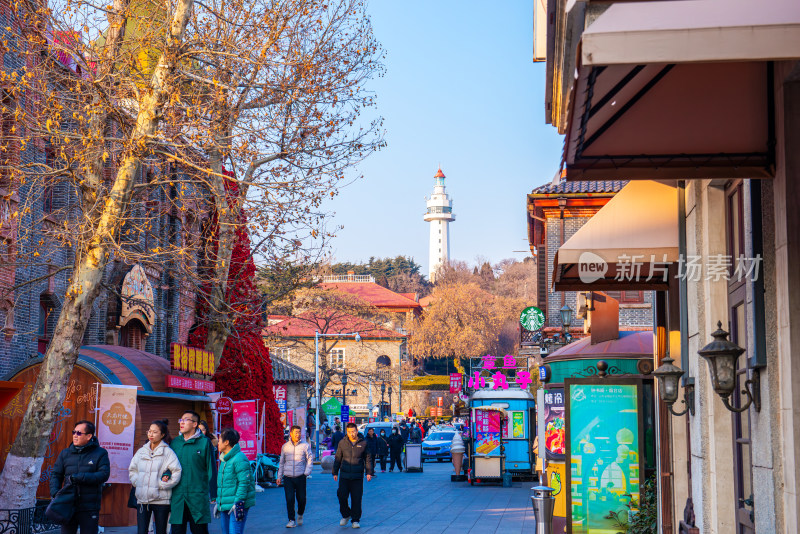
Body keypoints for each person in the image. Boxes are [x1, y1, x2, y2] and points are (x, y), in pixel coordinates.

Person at [50, 420, 110, 534]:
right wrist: (55, 493)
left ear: (89, 436)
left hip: (89, 507)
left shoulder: (100, 453)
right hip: (68, 505)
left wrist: (80, 477)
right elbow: (56, 475)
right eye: (74, 432)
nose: (75, 436)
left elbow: (104, 475)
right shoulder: (65, 453)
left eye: (78, 433)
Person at [129, 420, 183, 534]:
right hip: (143, 500)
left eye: (155, 432)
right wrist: (137, 482)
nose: (151, 434)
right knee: (142, 531)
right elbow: (132, 470)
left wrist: (162, 485)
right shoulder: (141, 451)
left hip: (161, 500)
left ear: (162, 435)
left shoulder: (168, 452)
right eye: (149, 431)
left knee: (161, 531)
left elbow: (177, 471)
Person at [170, 410, 215, 534]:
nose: (182, 422)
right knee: (177, 530)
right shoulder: (175, 443)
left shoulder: (204, 442)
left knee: (199, 530)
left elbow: (211, 468)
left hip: (197, 496)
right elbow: (168, 466)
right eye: (181, 420)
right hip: (178, 496)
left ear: (195, 424)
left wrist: (214, 493)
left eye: (186, 420)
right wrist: (166, 475)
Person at [332, 422, 373, 529]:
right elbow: (337, 458)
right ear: (347, 432)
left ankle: (355, 520)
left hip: (357, 476)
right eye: (349, 432)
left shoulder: (363, 443)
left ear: (357, 431)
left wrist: (369, 472)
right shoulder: (342, 443)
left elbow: (368, 459)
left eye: (353, 431)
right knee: (341, 496)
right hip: (344, 476)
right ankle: (346, 514)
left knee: (356, 498)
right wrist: (335, 472)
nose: (352, 434)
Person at [216, 428, 256, 534]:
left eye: (219, 439)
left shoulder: (239, 458)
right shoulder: (224, 459)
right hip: (225, 504)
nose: (217, 442)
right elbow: (223, 484)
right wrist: (218, 502)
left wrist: (238, 502)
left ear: (226, 442)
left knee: (234, 532)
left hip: (237, 504)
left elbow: (244, 482)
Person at [277, 425, 313, 528]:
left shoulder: (305, 446)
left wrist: (306, 472)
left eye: (299, 432)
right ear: (291, 434)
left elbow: (310, 459)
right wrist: (279, 476)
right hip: (288, 477)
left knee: (302, 499)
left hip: (301, 476)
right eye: (295, 432)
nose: (297, 434)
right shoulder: (285, 446)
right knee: (289, 499)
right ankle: (291, 520)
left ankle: (300, 513)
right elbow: (282, 462)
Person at [198, 421, 219, 506]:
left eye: (203, 430)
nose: (201, 432)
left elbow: (214, 457)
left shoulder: (211, 441)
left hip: (208, 468)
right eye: (199, 429)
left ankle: (212, 497)